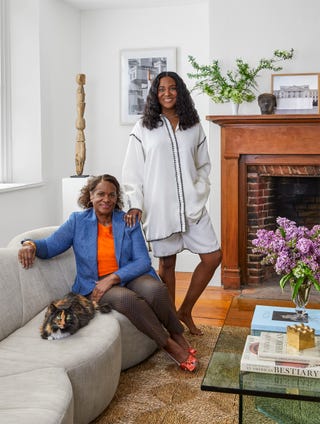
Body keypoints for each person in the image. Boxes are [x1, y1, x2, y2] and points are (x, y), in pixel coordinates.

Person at [18, 174, 197, 372]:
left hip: (129, 276)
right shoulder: (77, 221)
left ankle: (177, 334)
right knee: (127, 300)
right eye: (101, 194)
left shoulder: (128, 220)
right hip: (95, 283)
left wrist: (113, 277)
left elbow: (143, 261)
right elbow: (51, 246)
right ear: (91, 196)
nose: (107, 199)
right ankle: (170, 346)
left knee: (156, 290)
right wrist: (30, 244)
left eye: (112, 195)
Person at [122, 71, 222, 336]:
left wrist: (198, 191)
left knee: (213, 257)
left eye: (173, 88)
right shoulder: (144, 127)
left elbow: (204, 165)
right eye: (161, 89)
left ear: (181, 92)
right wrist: (135, 203)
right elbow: (133, 170)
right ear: (155, 94)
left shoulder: (193, 125)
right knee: (167, 264)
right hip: (160, 206)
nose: (167, 93)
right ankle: (170, 322)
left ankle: (185, 310)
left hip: (192, 206)